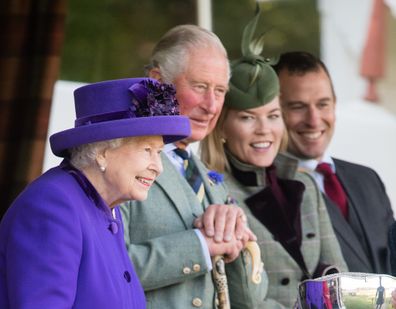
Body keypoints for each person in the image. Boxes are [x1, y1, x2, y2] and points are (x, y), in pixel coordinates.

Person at [0, 77, 191, 308]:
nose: (158, 167)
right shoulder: (53, 205)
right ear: (103, 152)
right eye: (147, 150)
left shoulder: (106, 207)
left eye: (159, 152)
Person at [200, 9, 347, 308]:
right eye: (247, 118)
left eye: (273, 116)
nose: (264, 130)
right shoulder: (211, 193)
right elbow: (229, 294)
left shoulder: (303, 182)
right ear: (223, 127)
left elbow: (337, 273)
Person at [120, 25, 263, 309]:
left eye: (220, 91)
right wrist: (199, 245)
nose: (211, 105)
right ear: (157, 82)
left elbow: (250, 302)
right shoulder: (119, 162)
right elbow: (106, 268)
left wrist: (240, 241)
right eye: (200, 87)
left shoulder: (211, 181)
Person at [273, 51, 394, 274]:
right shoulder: (267, 188)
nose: (314, 120)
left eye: (323, 104)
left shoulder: (367, 178)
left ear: (335, 105)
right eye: (298, 106)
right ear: (274, 111)